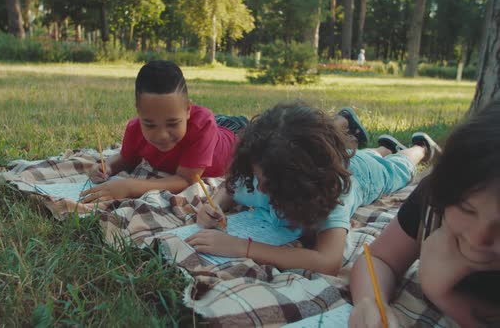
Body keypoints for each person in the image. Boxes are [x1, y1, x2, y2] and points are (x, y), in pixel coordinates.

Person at [186, 101, 437, 276]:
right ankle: (382, 147)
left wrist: (243, 247)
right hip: (345, 157)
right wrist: (215, 205)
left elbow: (329, 262)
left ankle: (420, 148)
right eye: (255, 176)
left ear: (304, 184)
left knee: (397, 169)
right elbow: (230, 189)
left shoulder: (333, 194)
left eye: (271, 184)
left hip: (364, 175)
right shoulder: (262, 169)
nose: (259, 188)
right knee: (364, 153)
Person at [348, 102, 500, 328]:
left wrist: (440, 290)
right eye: (467, 209)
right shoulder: (436, 200)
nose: (480, 238)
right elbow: (380, 259)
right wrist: (370, 303)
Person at [81, 60, 246, 203]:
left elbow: (186, 179)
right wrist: (108, 167)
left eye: (172, 124)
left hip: (235, 135)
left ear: (188, 109)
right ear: (139, 112)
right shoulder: (134, 128)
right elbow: (126, 159)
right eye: (150, 125)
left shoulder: (203, 124)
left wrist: (129, 187)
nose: (162, 135)